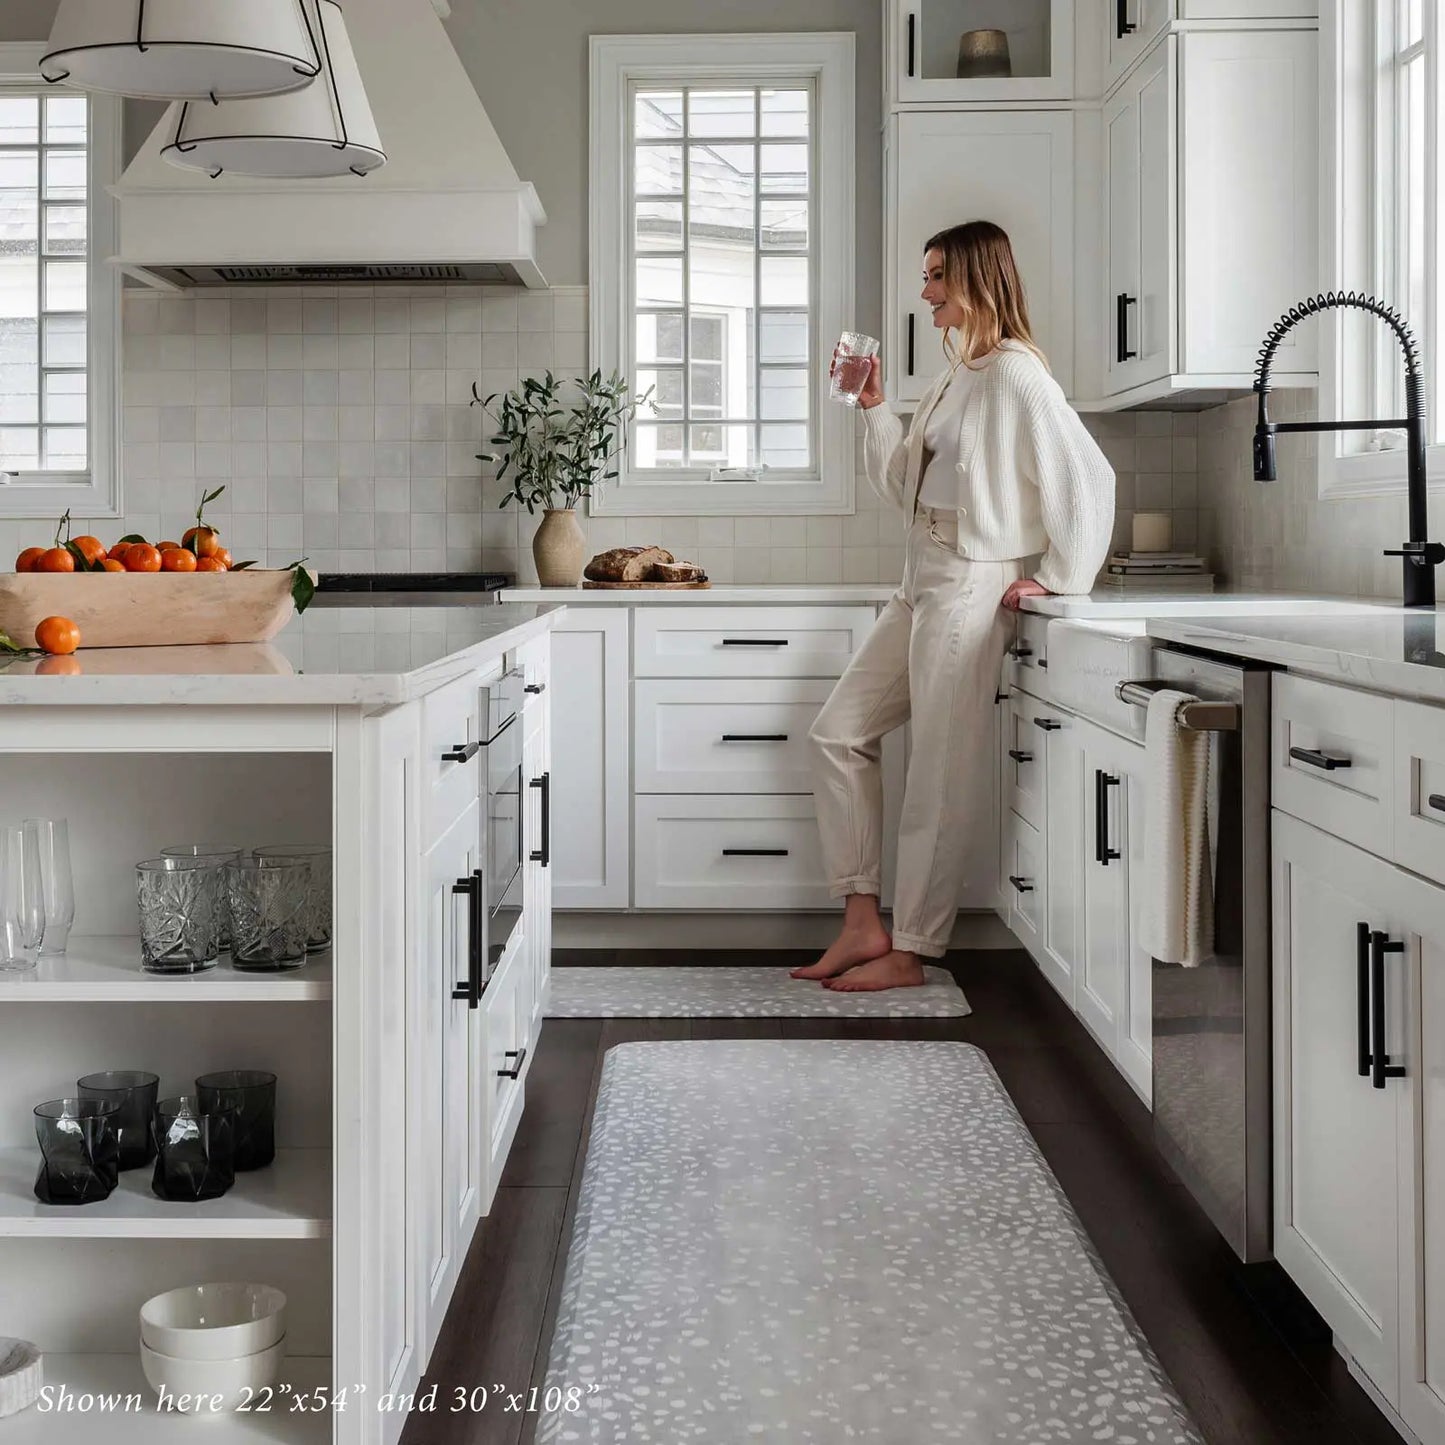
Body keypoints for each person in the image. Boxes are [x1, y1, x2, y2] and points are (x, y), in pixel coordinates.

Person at [795, 220, 1115, 991]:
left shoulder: (1014, 374)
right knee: (837, 732)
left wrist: (1062, 576)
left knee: (936, 773)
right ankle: (862, 920)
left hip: (973, 577)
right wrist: (874, 407)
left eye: (936, 276)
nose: (924, 291)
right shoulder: (957, 372)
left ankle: (913, 950)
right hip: (923, 574)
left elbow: (1087, 477)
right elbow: (903, 485)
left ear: (973, 279)